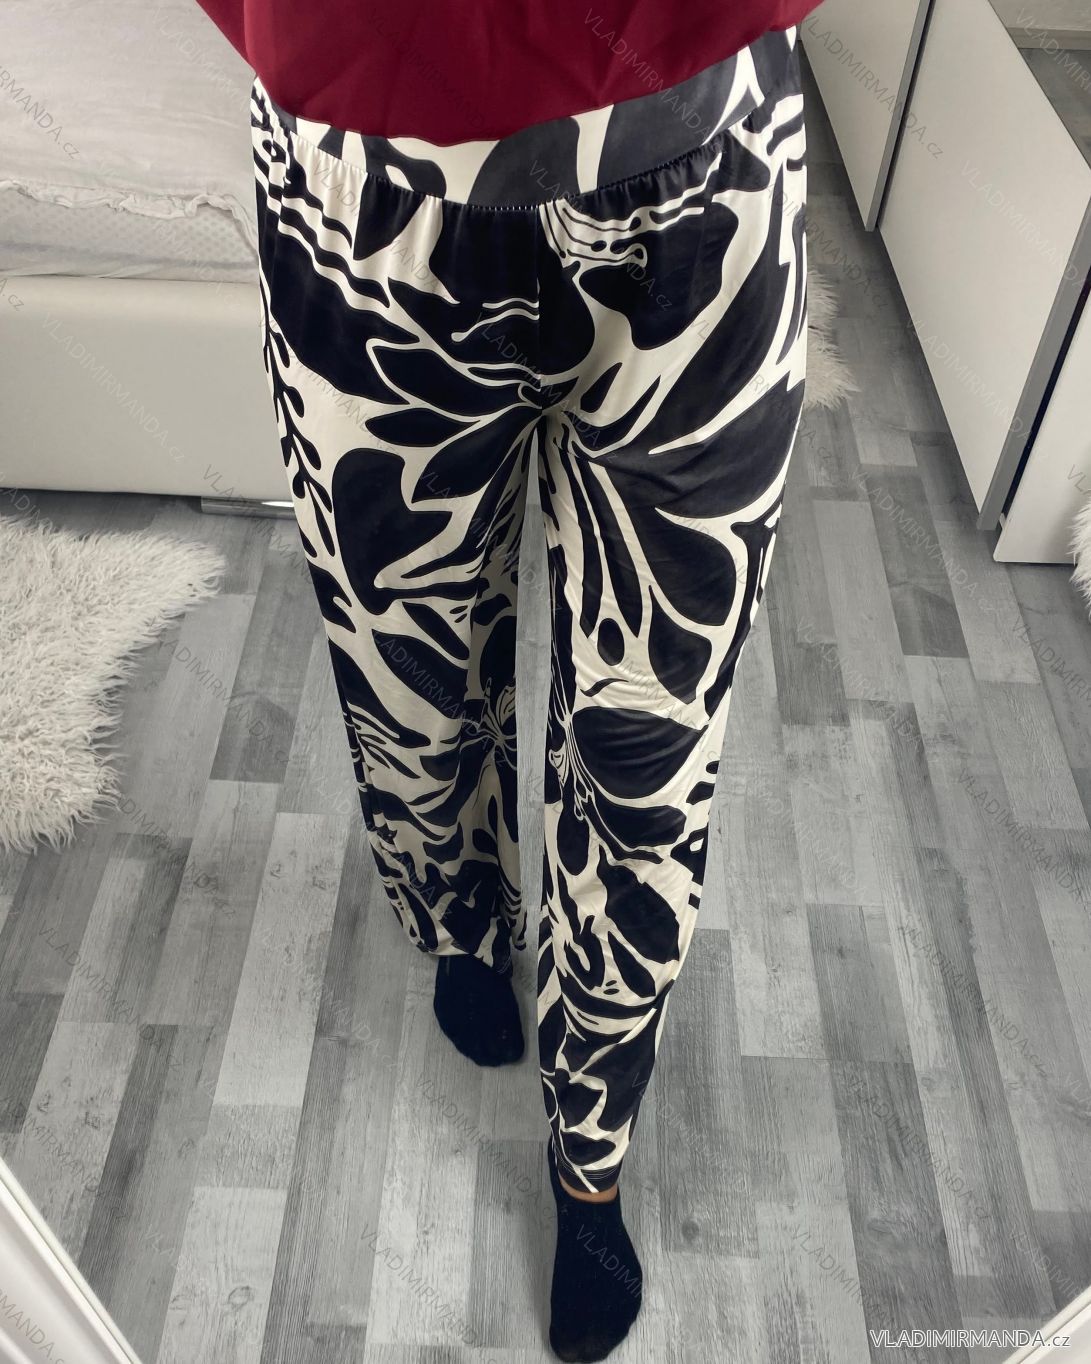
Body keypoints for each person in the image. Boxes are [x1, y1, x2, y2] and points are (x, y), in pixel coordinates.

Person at [191, 2, 819, 1358]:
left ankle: (591, 1152)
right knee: (403, 664)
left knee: (649, 737)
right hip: (365, 179)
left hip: (703, 156)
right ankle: (461, 922)